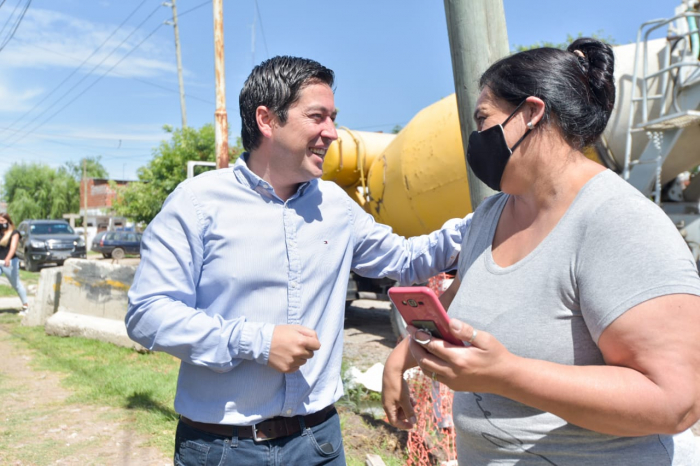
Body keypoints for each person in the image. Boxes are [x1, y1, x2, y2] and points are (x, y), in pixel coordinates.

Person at [125, 55, 471, 465]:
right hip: (222, 449)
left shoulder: (336, 206)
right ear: (267, 120)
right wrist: (257, 341)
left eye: (333, 117)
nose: (333, 133)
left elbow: (408, 259)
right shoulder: (197, 203)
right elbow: (147, 313)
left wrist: (492, 215)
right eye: (317, 117)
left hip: (318, 442)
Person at [382, 38, 700, 465]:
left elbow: (675, 402)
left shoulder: (618, 222)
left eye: (482, 119)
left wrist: (507, 375)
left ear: (531, 113)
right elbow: (457, 304)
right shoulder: (489, 216)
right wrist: (398, 360)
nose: (474, 138)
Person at [0, 213, 29, 315]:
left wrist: (7, 259)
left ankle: (26, 306)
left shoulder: (14, 233)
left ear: (8, 221)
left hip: (10, 262)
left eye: (3, 221)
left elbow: (13, 248)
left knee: (16, 284)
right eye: (0, 221)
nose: (1, 223)